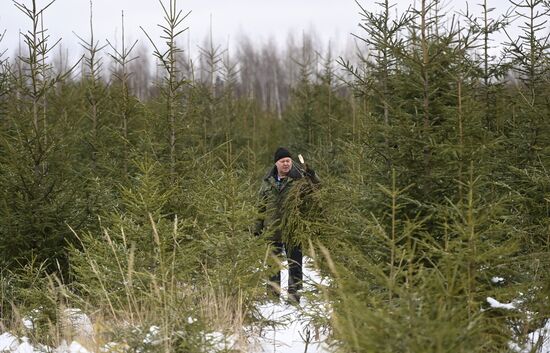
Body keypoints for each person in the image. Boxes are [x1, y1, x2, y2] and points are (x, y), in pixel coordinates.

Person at [254, 147, 320, 303]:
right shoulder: (267, 182)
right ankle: (272, 295)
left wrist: (312, 175)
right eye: (283, 161)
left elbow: (317, 189)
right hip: (272, 229)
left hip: (293, 228)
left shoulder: (299, 180)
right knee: (272, 264)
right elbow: (260, 207)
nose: (286, 164)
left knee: (295, 264)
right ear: (276, 163)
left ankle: (294, 294)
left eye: (288, 161)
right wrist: (257, 229)